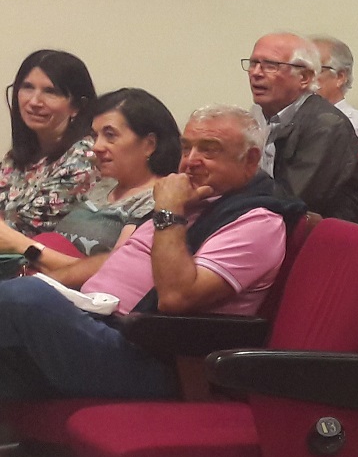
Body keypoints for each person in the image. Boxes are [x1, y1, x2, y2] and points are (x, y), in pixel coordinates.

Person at [0, 104, 300, 401]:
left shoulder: (257, 222)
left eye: (209, 150)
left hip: (151, 356)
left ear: (250, 159)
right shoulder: (195, 201)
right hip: (95, 321)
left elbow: (176, 297)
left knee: (26, 297)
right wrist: (47, 281)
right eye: (186, 148)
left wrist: (169, 210)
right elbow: (120, 258)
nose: (190, 161)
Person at [0, 88, 177, 287]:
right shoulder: (101, 187)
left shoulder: (157, 199)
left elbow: (116, 270)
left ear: (149, 145)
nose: (97, 147)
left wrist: (22, 245)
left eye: (110, 135)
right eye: (95, 135)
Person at [242, 31, 358, 221]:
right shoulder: (259, 112)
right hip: (266, 217)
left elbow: (292, 201)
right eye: (253, 63)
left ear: (304, 77)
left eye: (270, 66)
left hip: (319, 230)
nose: (256, 73)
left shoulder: (327, 125)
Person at [4, 49, 99, 233]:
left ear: (78, 106)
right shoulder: (18, 157)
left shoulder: (85, 157)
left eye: (50, 92)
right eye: (28, 87)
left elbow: (24, 230)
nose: (34, 101)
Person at [310, 35, 358, 152]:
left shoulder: (353, 122)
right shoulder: (294, 114)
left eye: (314, 70)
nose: (303, 78)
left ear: (340, 77)